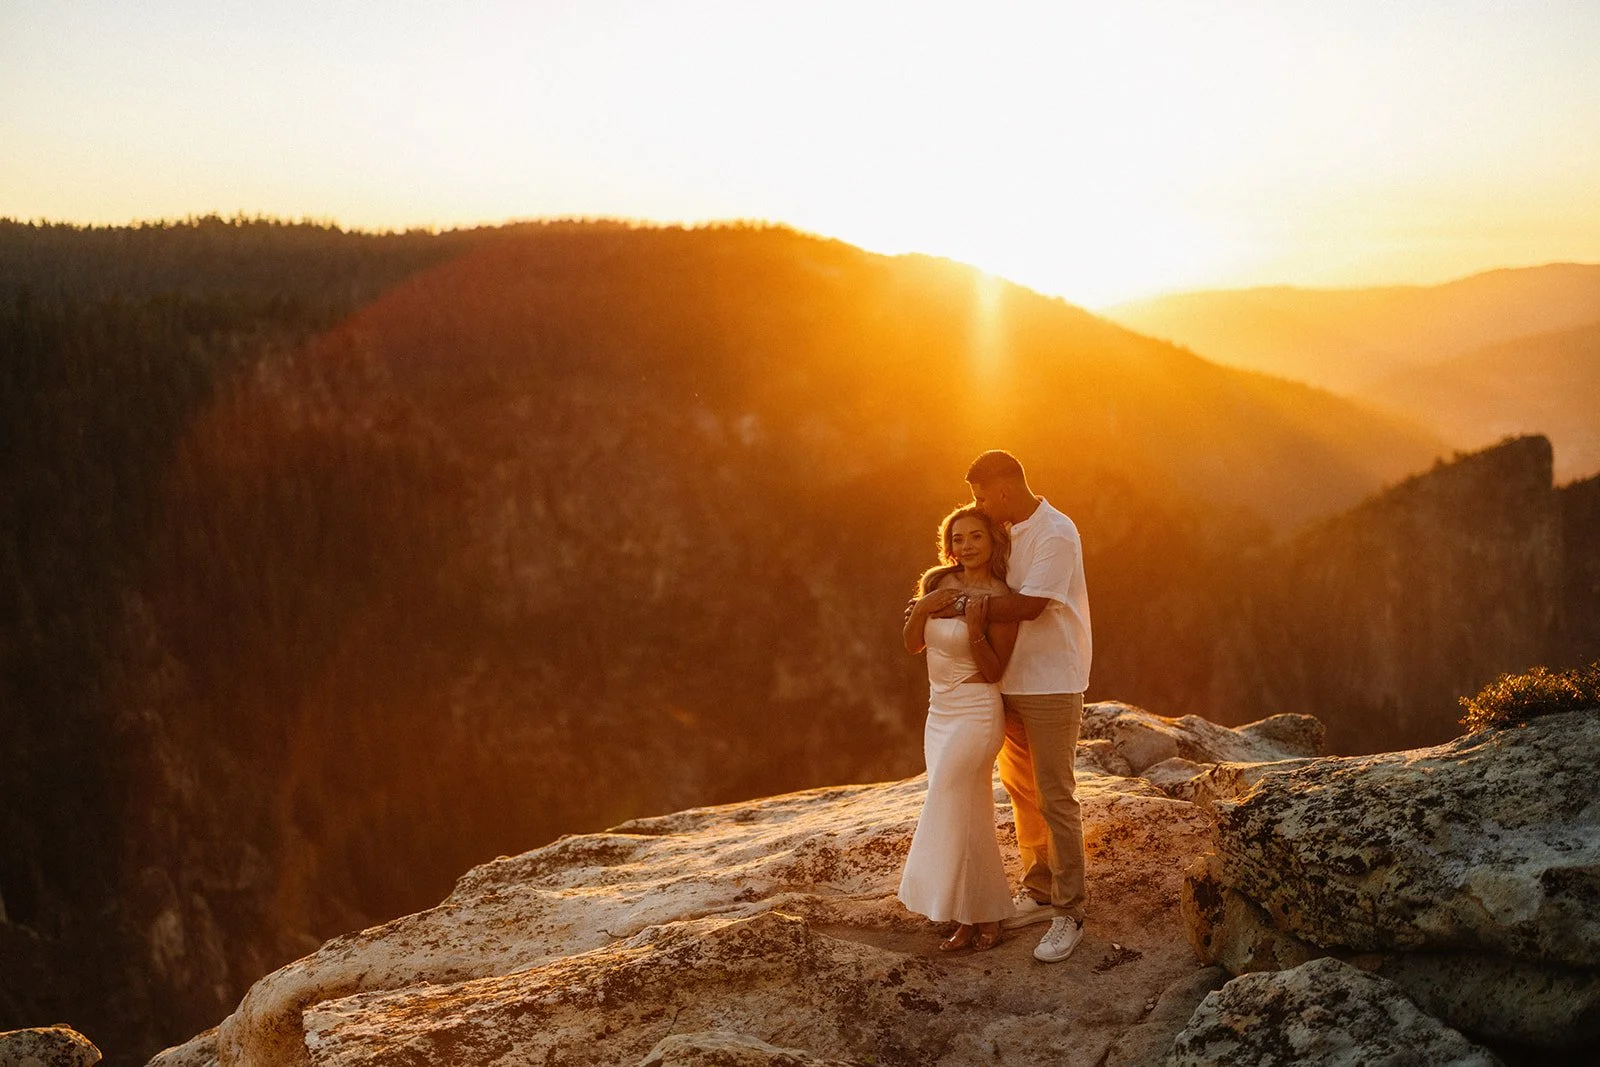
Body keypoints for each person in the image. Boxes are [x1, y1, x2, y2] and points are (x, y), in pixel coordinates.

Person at [947, 450, 1093, 964]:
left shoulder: (1056, 532)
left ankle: (1070, 912)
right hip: (1008, 682)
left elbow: (1030, 605)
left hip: (1054, 681)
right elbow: (980, 575)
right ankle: (1039, 889)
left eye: (981, 495)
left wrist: (958, 604)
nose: (976, 506)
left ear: (1005, 490)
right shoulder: (1006, 529)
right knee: (1023, 793)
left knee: (1056, 795)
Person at [898, 505, 1020, 952]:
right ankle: (978, 918)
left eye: (975, 538)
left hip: (976, 711)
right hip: (939, 713)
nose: (965, 547)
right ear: (948, 546)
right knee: (970, 813)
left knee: (946, 797)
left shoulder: (1000, 597)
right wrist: (925, 607)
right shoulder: (937, 583)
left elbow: (994, 672)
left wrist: (973, 629)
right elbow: (913, 644)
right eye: (957, 539)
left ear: (992, 543)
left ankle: (960, 904)